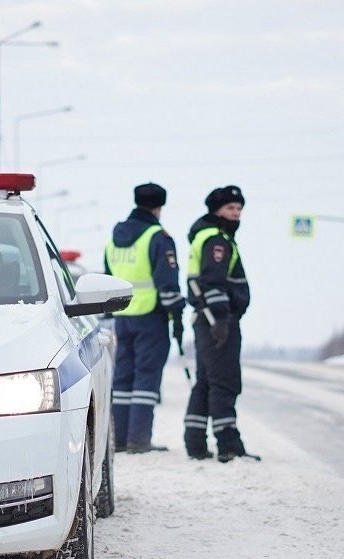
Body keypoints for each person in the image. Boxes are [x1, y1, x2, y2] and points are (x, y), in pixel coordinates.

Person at [105, 183, 185, 453]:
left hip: (122, 317)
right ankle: (140, 440)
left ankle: (120, 440)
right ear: (159, 206)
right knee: (146, 379)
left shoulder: (115, 238)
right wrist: (177, 313)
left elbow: (107, 277)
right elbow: (167, 281)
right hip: (151, 318)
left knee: (123, 379)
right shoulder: (157, 237)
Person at [183, 185, 254, 462]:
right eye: (230, 209)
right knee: (224, 381)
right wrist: (221, 319)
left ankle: (195, 443)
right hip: (217, 320)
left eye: (239, 209)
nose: (236, 214)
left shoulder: (208, 236)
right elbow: (212, 282)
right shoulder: (216, 240)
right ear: (216, 211)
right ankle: (228, 445)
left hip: (206, 319)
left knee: (206, 381)